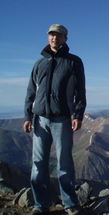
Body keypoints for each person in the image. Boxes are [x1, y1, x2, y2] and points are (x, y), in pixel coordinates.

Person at [23, 24, 86, 215]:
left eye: (59, 35)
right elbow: (31, 91)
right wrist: (28, 116)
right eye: (51, 35)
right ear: (48, 37)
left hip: (63, 120)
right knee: (38, 163)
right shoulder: (39, 64)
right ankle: (40, 205)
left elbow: (80, 92)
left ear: (65, 38)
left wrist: (78, 114)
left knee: (64, 163)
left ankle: (70, 203)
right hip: (40, 119)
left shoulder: (74, 62)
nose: (54, 38)